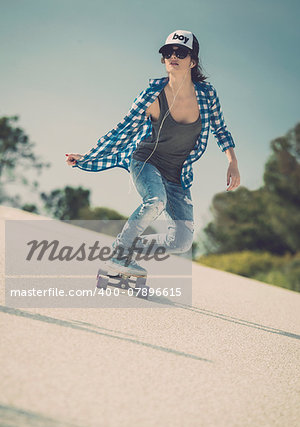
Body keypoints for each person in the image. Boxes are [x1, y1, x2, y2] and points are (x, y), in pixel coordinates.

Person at [66, 29, 240, 276]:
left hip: (178, 175)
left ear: (193, 61)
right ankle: (119, 255)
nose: (173, 56)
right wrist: (89, 156)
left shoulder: (207, 95)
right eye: (168, 52)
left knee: (181, 242)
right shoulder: (152, 94)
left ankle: (127, 249)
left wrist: (232, 162)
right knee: (155, 201)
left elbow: (221, 129)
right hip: (146, 161)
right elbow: (122, 129)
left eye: (180, 52)